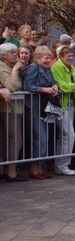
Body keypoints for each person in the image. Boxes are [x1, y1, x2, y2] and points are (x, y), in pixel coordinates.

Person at [51, 45, 75, 176]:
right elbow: (61, 85)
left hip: (72, 104)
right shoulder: (56, 67)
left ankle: (60, 165)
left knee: (66, 136)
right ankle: (62, 165)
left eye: (72, 56)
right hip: (61, 105)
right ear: (61, 56)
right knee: (69, 135)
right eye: (68, 56)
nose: (71, 58)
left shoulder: (72, 68)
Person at [23, 45, 59, 179]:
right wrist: (46, 90)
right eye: (46, 58)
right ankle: (34, 168)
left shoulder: (47, 69)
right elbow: (29, 85)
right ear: (37, 58)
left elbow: (53, 81)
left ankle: (39, 168)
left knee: (44, 139)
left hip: (44, 108)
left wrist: (55, 86)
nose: (48, 60)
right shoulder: (33, 68)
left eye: (49, 58)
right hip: (33, 107)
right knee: (40, 138)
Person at [0, 43, 26, 181]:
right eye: (12, 52)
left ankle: (6, 170)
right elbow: (13, 86)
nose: (15, 54)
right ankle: (11, 172)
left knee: (9, 140)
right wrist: (15, 69)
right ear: (4, 55)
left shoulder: (8, 66)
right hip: (9, 109)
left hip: (13, 107)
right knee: (14, 140)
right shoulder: (2, 67)